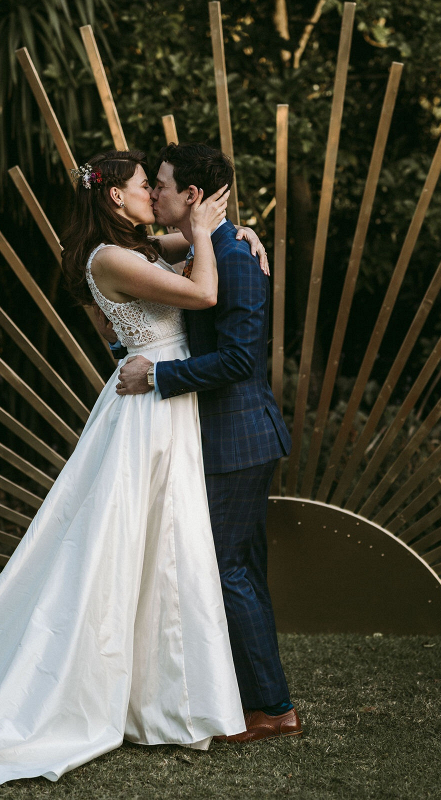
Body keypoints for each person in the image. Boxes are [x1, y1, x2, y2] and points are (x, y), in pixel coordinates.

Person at [0, 149, 249, 786]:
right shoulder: (110, 259)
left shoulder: (133, 248)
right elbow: (202, 291)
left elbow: (190, 242)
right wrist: (201, 236)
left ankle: (162, 700)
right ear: (115, 197)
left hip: (162, 403)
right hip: (146, 413)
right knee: (124, 549)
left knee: (164, 546)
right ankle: (89, 695)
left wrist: (232, 231)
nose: (153, 194)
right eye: (146, 186)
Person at [116, 142, 301, 743]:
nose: (157, 194)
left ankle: (272, 709)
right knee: (237, 569)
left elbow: (240, 359)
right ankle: (261, 699)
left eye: (163, 185)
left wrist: (159, 376)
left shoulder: (235, 259)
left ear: (192, 196)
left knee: (226, 570)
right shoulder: (211, 247)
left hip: (238, 439)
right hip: (219, 437)